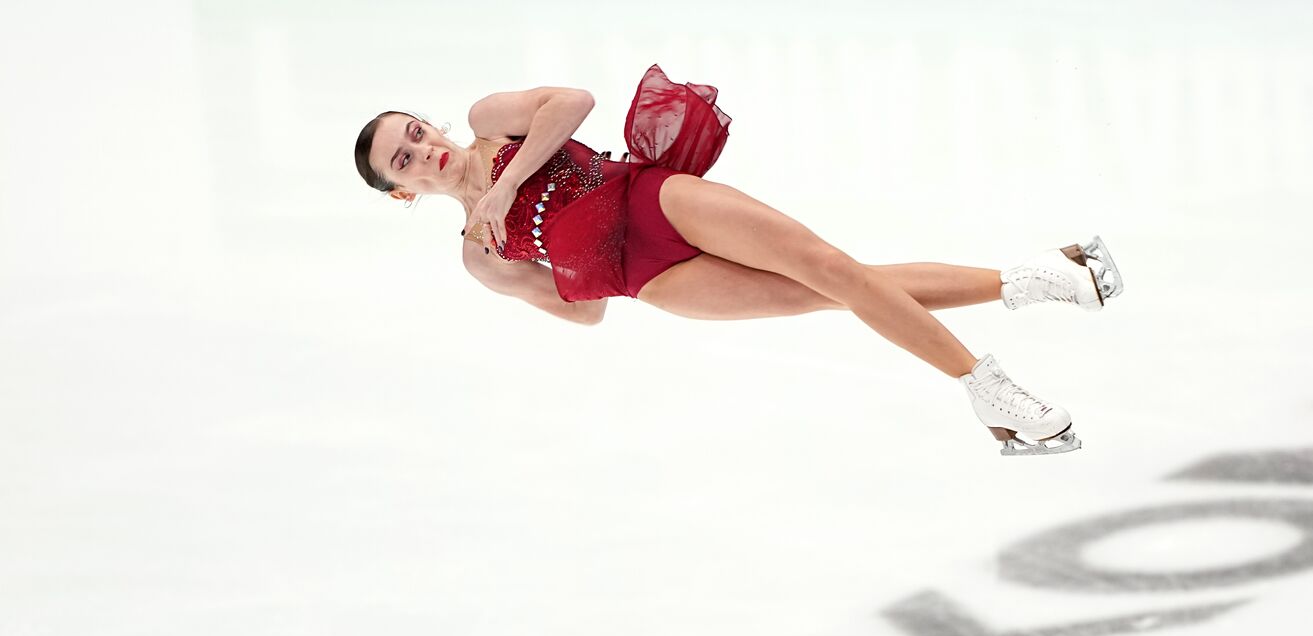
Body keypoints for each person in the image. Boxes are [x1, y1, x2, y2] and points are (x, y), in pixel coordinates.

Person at [354, 64, 1124, 456]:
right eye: (405, 161)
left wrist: (510, 185)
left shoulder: (493, 123)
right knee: (832, 296)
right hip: (652, 280)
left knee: (836, 272)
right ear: (402, 193)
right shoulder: (480, 261)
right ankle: (1044, 279)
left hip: (658, 201)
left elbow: (574, 103)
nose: (422, 151)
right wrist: (551, 261)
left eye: (415, 133)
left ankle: (984, 391)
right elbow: (583, 311)